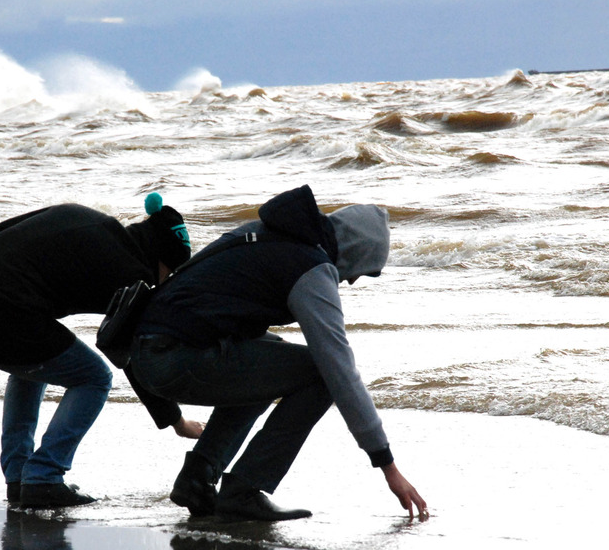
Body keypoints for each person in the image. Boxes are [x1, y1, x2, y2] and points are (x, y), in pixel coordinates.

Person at [129, 185, 428, 522]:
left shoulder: (267, 233)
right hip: (174, 357)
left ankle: (198, 477)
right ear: (356, 250)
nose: (355, 281)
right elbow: (339, 370)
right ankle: (244, 489)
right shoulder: (310, 267)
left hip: (148, 351)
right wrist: (387, 465)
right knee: (321, 374)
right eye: (366, 269)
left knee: (271, 357)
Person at [0, 193, 202, 510]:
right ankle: (44, 478)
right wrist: (177, 421)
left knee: (32, 363)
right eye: (169, 273)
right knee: (94, 377)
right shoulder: (132, 276)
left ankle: (19, 478)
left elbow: (2, 228)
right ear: (160, 260)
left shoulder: (82, 214)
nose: (163, 282)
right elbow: (132, 356)